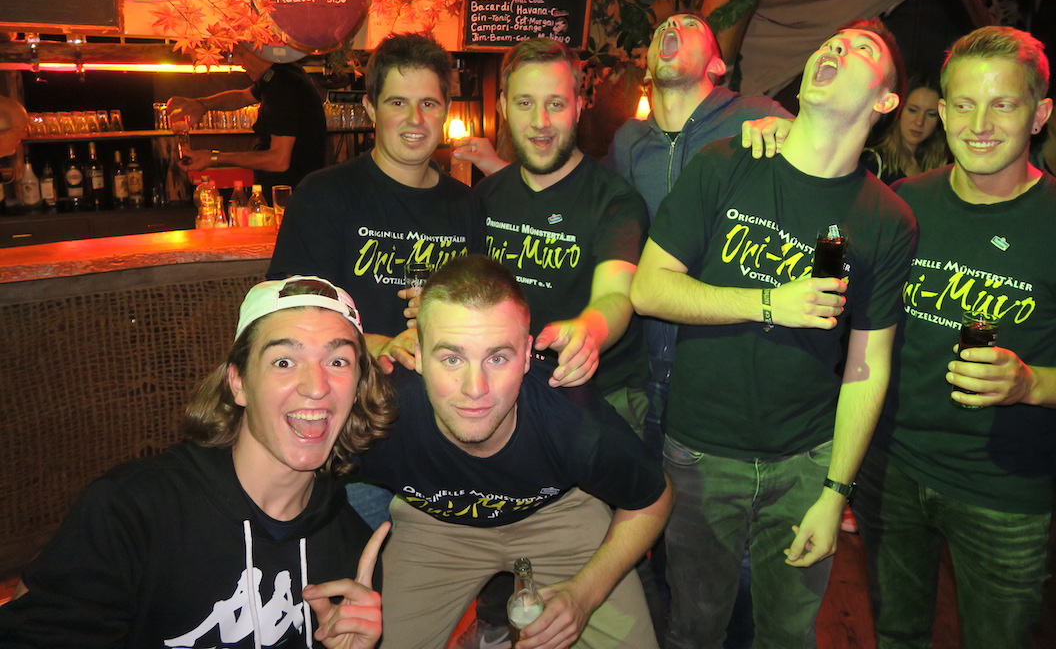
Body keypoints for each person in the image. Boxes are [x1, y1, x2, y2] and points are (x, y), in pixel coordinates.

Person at [856, 26, 1056, 649]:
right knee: (895, 635)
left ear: (1039, 114)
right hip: (891, 467)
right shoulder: (904, 203)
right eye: (963, 104)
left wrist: (1031, 383)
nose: (979, 124)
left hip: (1002, 490)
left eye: (1003, 104)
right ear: (943, 113)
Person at [631, 18, 917, 648]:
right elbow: (649, 289)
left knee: (788, 634)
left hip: (806, 461)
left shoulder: (887, 218)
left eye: (862, 49)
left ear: (885, 101)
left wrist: (836, 492)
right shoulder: (725, 163)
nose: (835, 46)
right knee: (693, 628)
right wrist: (768, 303)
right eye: (832, 40)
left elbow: (868, 365)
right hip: (701, 452)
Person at [0, 275, 397, 649]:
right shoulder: (135, 510)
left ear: (357, 388)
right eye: (283, 362)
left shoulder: (353, 553)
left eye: (338, 362)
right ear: (238, 382)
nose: (316, 387)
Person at [357, 255, 671, 649]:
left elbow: (654, 498)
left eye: (497, 357)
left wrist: (584, 595)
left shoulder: (569, 418)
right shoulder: (382, 413)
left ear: (526, 355)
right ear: (417, 354)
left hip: (554, 514)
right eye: (452, 358)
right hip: (435, 524)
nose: (475, 388)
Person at [606, 11, 793, 451]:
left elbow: (830, 167)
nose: (670, 28)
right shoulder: (627, 141)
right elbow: (587, 207)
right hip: (643, 372)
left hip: (722, 372)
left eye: (690, 25)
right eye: (660, 29)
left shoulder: (756, 116)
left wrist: (793, 130)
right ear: (648, 67)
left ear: (717, 65)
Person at [269, 33, 484, 372]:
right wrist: (380, 345)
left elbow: (481, 315)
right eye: (398, 103)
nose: (415, 119)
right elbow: (293, 314)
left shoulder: (469, 206)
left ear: (446, 110)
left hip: (443, 390)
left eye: (428, 104)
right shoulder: (322, 196)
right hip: (352, 390)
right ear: (371, 109)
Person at [474, 38, 651, 425]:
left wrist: (590, 330)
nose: (540, 121)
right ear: (503, 107)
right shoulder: (485, 196)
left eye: (555, 104)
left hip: (598, 400)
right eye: (525, 103)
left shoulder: (615, 201)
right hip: (505, 395)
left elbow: (616, 293)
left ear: (578, 107)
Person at [169, 43, 327, 195]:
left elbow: (278, 160)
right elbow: (243, 96)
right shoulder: (277, 74)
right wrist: (202, 104)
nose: (237, 62)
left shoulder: (284, 85)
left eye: (240, 54)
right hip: (293, 191)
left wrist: (214, 158)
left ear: (261, 50)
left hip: (291, 195)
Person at [860, 74, 950, 185]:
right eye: (912, 110)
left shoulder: (937, 167)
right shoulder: (873, 160)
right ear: (899, 110)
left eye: (931, 114)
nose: (919, 122)